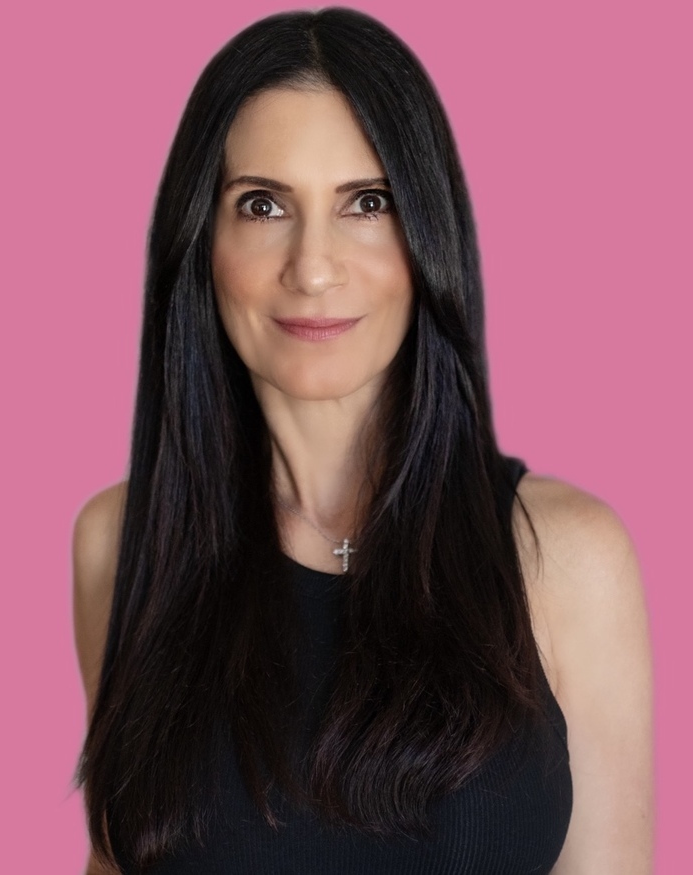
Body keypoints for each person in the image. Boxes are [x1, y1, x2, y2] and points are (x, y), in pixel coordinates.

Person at [72, 7, 653, 874]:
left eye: (367, 203)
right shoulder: (123, 542)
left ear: (426, 238)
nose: (313, 267)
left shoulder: (566, 554)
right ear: (201, 241)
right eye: (262, 204)